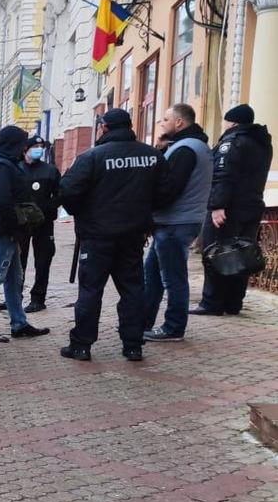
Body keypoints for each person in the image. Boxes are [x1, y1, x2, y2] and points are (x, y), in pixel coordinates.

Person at [58, 108, 176, 362]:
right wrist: (143, 211)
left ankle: (81, 345)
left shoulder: (92, 157)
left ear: (105, 128)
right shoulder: (152, 156)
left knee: (90, 291)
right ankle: (133, 345)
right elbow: (166, 193)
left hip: (97, 236)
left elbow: (67, 191)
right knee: (133, 289)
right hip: (133, 235)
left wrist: (85, 213)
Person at [192, 104, 274, 316]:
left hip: (229, 208)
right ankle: (233, 302)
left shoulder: (232, 142)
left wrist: (218, 206)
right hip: (252, 206)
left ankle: (212, 303)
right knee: (242, 254)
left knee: (215, 253)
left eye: (226, 121)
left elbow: (223, 174)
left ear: (233, 122)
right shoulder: (263, 143)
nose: (224, 124)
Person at [142, 103, 212, 341]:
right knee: (151, 273)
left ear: (179, 122)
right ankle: (143, 322)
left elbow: (169, 187)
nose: (161, 124)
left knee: (172, 278)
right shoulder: (191, 145)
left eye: (164, 119)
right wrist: (161, 149)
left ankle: (174, 327)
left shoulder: (185, 149)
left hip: (175, 222)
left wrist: (148, 206)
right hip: (175, 222)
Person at [0, 126, 50, 342]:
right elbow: (1, 201)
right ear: (13, 144)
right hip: (5, 232)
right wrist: (13, 230)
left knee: (13, 279)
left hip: (9, 230)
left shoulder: (4, 162)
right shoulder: (2, 166)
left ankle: (18, 323)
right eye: (23, 143)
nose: (25, 147)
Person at [18, 136, 60, 312]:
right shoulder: (16, 169)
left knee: (43, 260)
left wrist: (49, 208)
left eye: (41, 146)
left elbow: (61, 193)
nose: (39, 149)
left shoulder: (50, 170)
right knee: (18, 261)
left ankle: (38, 297)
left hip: (44, 222)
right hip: (21, 222)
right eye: (35, 146)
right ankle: (14, 295)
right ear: (25, 149)